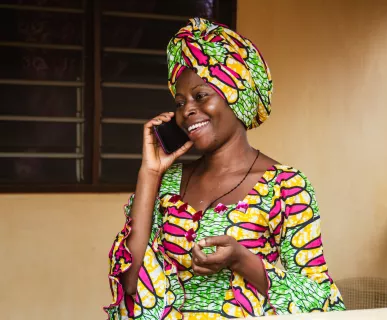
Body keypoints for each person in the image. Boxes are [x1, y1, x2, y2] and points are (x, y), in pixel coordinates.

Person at [104, 17, 345, 319]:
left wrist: (242, 259)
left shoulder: (286, 187)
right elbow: (128, 282)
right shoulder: (168, 183)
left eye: (201, 95)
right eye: (179, 102)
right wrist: (150, 173)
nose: (187, 110)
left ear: (237, 96)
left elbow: (319, 299)